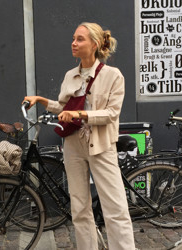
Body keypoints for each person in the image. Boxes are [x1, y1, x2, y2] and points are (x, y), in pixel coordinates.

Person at [23, 22, 135, 250]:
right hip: (73, 145)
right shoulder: (70, 75)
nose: (74, 43)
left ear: (94, 44)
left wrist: (80, 114)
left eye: (80, 39)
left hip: (101, 145)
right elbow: (64, 106)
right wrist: (43, 101)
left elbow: (111, 113)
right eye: (73, 38)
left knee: (115, 208)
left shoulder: (113, 76)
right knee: (79, 207)